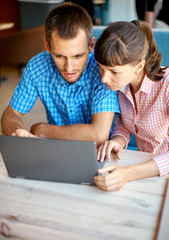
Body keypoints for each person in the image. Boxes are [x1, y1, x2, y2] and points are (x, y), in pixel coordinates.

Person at [1, 2, 120, 147]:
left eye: (77, 56)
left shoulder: (102, 70)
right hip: (57, 149)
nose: (69, 68)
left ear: (90, 45)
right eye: (59, 56)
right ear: (47, 46)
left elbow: (99, 135)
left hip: (101, 151)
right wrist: (16, 130)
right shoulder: (37, 67)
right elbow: (10, 114)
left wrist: (43, 130)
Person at [94, 20, 169, 191]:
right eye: (101, 68)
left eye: (114, 71)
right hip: (144, 169)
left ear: (139, 66)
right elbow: (123, 125)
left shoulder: (166, 86)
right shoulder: (122, 85)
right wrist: (117, 141)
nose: (104, 79)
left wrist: (128, 173)